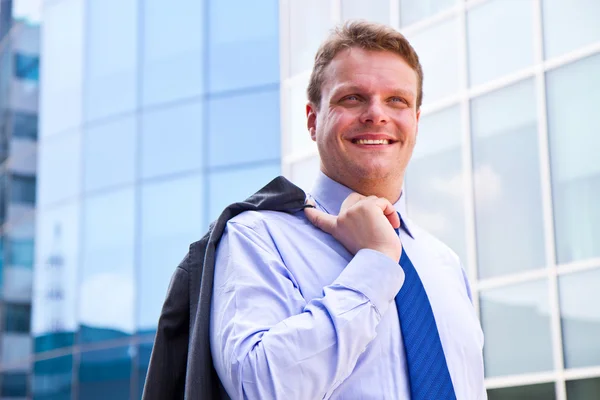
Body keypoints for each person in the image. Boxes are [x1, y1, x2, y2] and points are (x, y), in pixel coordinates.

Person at [208, 20, 486, 399]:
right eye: (352, 98)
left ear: (416, 122)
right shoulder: (257, 237)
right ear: (312, 120)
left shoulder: (445, 263)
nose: (376, 114)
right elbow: (258, 388)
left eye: (397, 100)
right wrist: (375, 263)